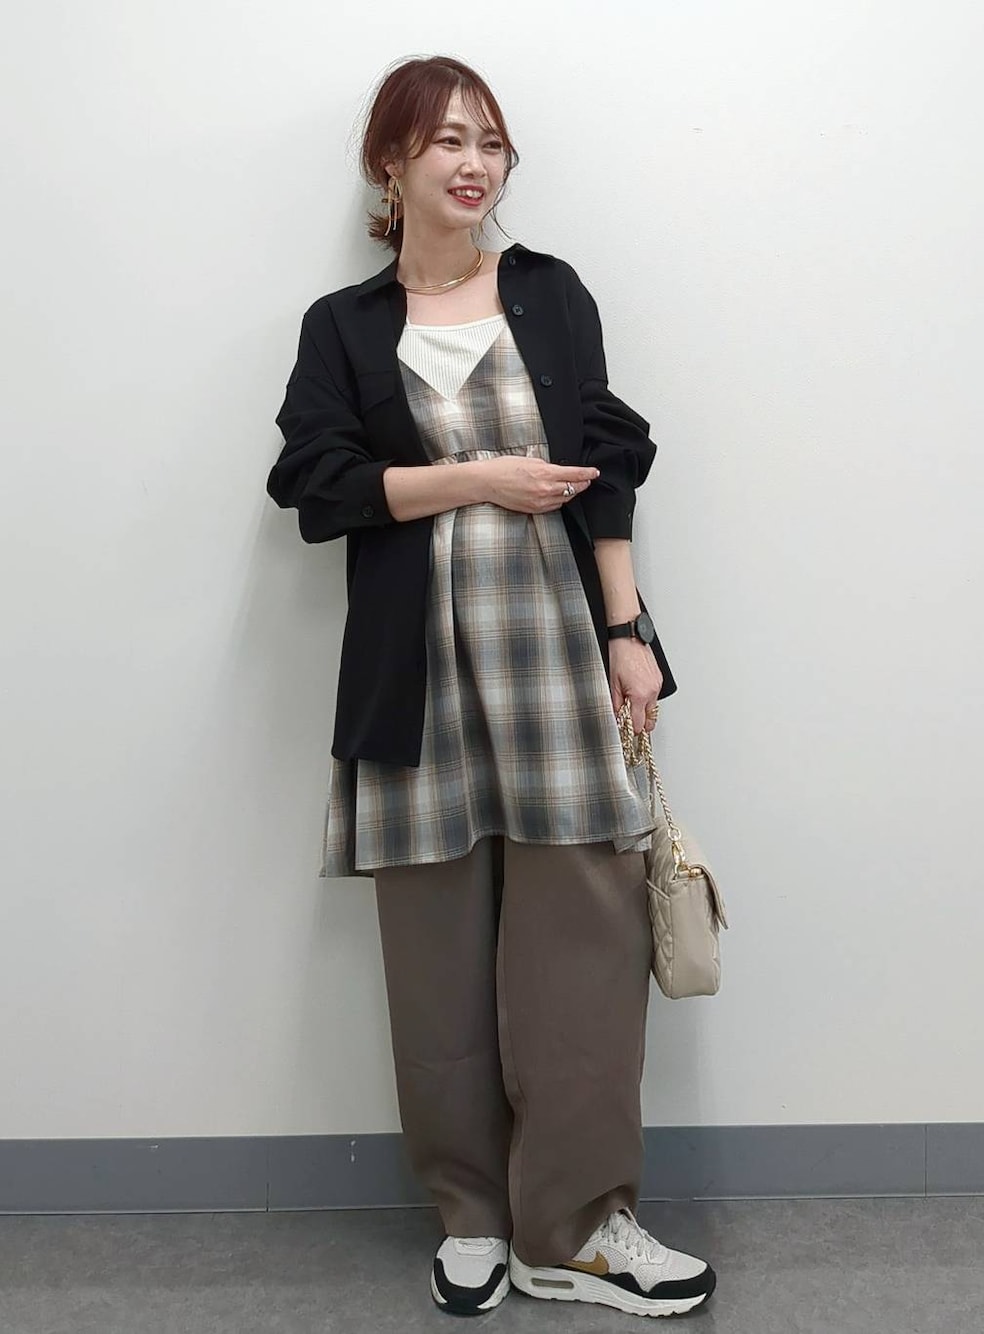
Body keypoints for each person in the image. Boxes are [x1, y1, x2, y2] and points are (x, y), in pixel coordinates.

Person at [266, 54, 717, 1321]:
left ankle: (574, 1228)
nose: (474, 164)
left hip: (555, 662)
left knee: (583, 954)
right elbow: (315, 484)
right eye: (447, 141)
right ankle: (470, 1216)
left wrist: (627, 630)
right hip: (413, 681)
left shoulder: (550, 293)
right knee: (435, 970)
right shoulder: (343, 326)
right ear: (390, 163)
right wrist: (478, 479)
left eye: (491, 142)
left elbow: (607, 465)